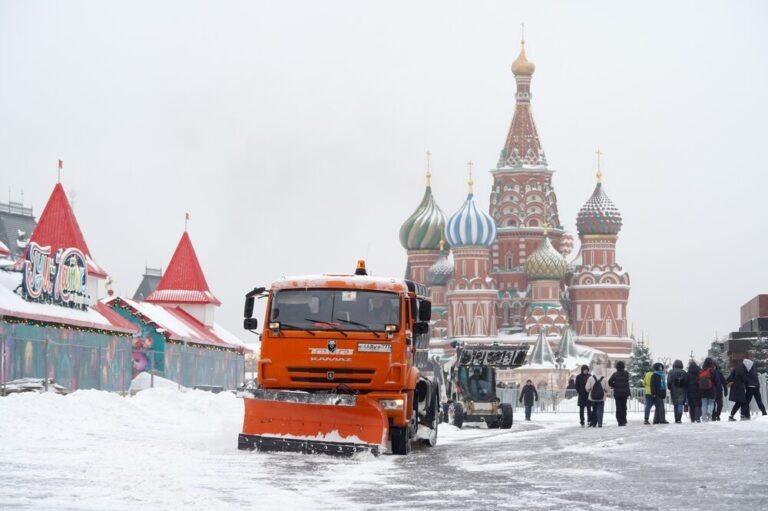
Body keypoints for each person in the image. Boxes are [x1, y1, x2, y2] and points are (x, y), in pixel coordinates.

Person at [608, 361, 630, 426]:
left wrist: (614, 385)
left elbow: (609, 382)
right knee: (624, 407)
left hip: (617, 393)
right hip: (625, 393)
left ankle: (620, 421)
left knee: (618, 407)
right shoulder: (626, 373)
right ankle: (624, 420)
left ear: (617, 367)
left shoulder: (615, 374)